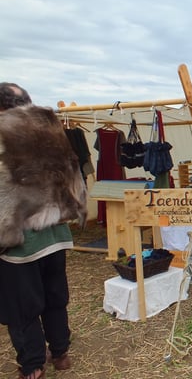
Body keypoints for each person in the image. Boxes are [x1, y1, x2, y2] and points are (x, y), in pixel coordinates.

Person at [0, 83, 73, 379]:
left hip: (20, 242)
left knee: (23, 308)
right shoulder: (51, 135)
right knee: (54, 297)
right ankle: (61, 353)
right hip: (55, 234)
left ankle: (32, 365)